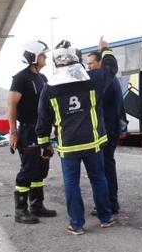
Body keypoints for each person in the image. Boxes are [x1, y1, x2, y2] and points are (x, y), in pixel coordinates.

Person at [36, 38, 118, 235]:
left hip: (68, 145)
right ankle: (105, 218)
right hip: (93, 142)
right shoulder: (93, 79)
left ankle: (77, 223)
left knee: (71, 183)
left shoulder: (49, 87)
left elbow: (43, 119)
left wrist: (44, 143)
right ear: (77, 59)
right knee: (98, 178)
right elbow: (111, 67)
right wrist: (105, 50)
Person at [8, 40, 57, 224]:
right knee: (28, 170)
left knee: (41, 168)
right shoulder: (21, 78)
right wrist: (13, 132)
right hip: (28, 130)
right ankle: (20, 211)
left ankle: (37, 205)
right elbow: (12, 105)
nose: (45, 57)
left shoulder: (42, 78)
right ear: (33, 56)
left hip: (42, 130)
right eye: (43, 54)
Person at [87, 51, 125, 216]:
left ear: (101, 62)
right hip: (111, 128)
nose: (89, 67)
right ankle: (112, 202)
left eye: (91, 63)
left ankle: (108, 203)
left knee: (104, 167)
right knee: (108, 165)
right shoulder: (111, 80)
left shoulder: (106, 82)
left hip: (107, 130)